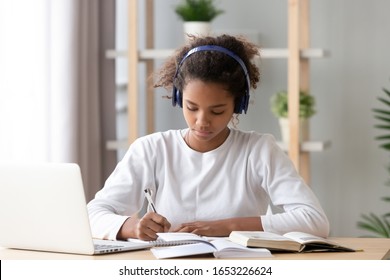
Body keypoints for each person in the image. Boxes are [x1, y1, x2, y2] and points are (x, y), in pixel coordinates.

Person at [87, 34, 329, 241]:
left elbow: (315, 220)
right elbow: (92, 214)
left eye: (217, 111)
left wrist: (225, 227)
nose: (202, 121)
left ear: (238, 104)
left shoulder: (259, 150)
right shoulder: (151, 149)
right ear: (179, 98)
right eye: (192, 107)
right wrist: (131, 227)